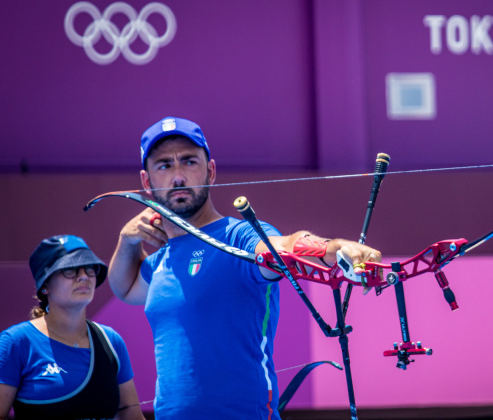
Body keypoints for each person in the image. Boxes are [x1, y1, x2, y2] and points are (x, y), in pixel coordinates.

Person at [107, 116, 381, 419]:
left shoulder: (237, 236)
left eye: (189, 162)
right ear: (147, 182)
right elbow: (124, 287)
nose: (178, 176)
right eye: (165, 166)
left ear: (210, 172)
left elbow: (281, 246)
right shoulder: (161, 259)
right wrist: (127, 240)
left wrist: (332, 248)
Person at [0, 235, 146, 420]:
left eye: (89, 268)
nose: (83, 276)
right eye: (70, 270)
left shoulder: (111, 340)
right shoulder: (15, 342)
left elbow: (130, 414)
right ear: (45, 285)